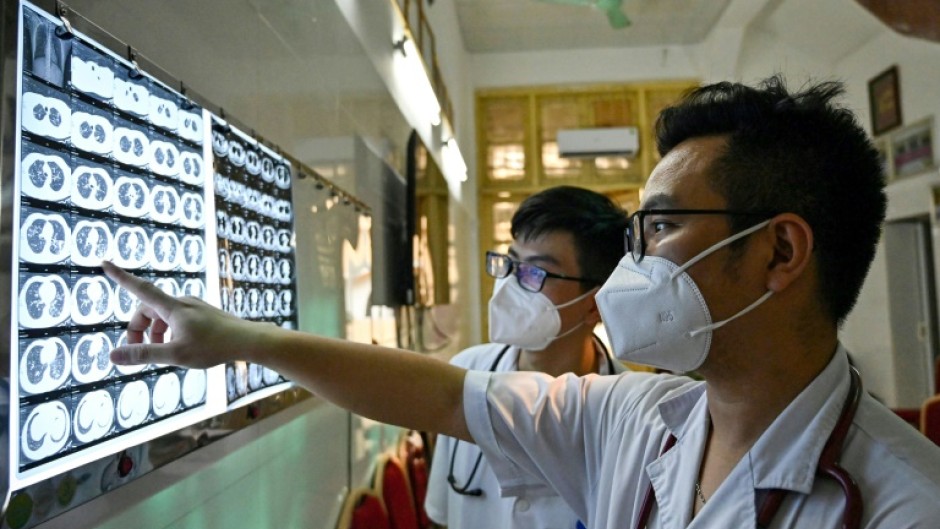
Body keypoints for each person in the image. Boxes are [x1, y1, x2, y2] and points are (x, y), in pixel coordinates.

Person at [104, 75, 940, 528]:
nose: (633, 263)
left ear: (779, 251)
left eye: (662, 226)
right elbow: (439, 391)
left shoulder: (908, 501)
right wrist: (240, 338)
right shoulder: (641, 414)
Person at [425, 186, 628, 529]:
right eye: (510, 262)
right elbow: (441, 517)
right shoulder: (464, 374)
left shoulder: (628, 412)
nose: (509, 284)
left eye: (535, 272)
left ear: (595, 304)